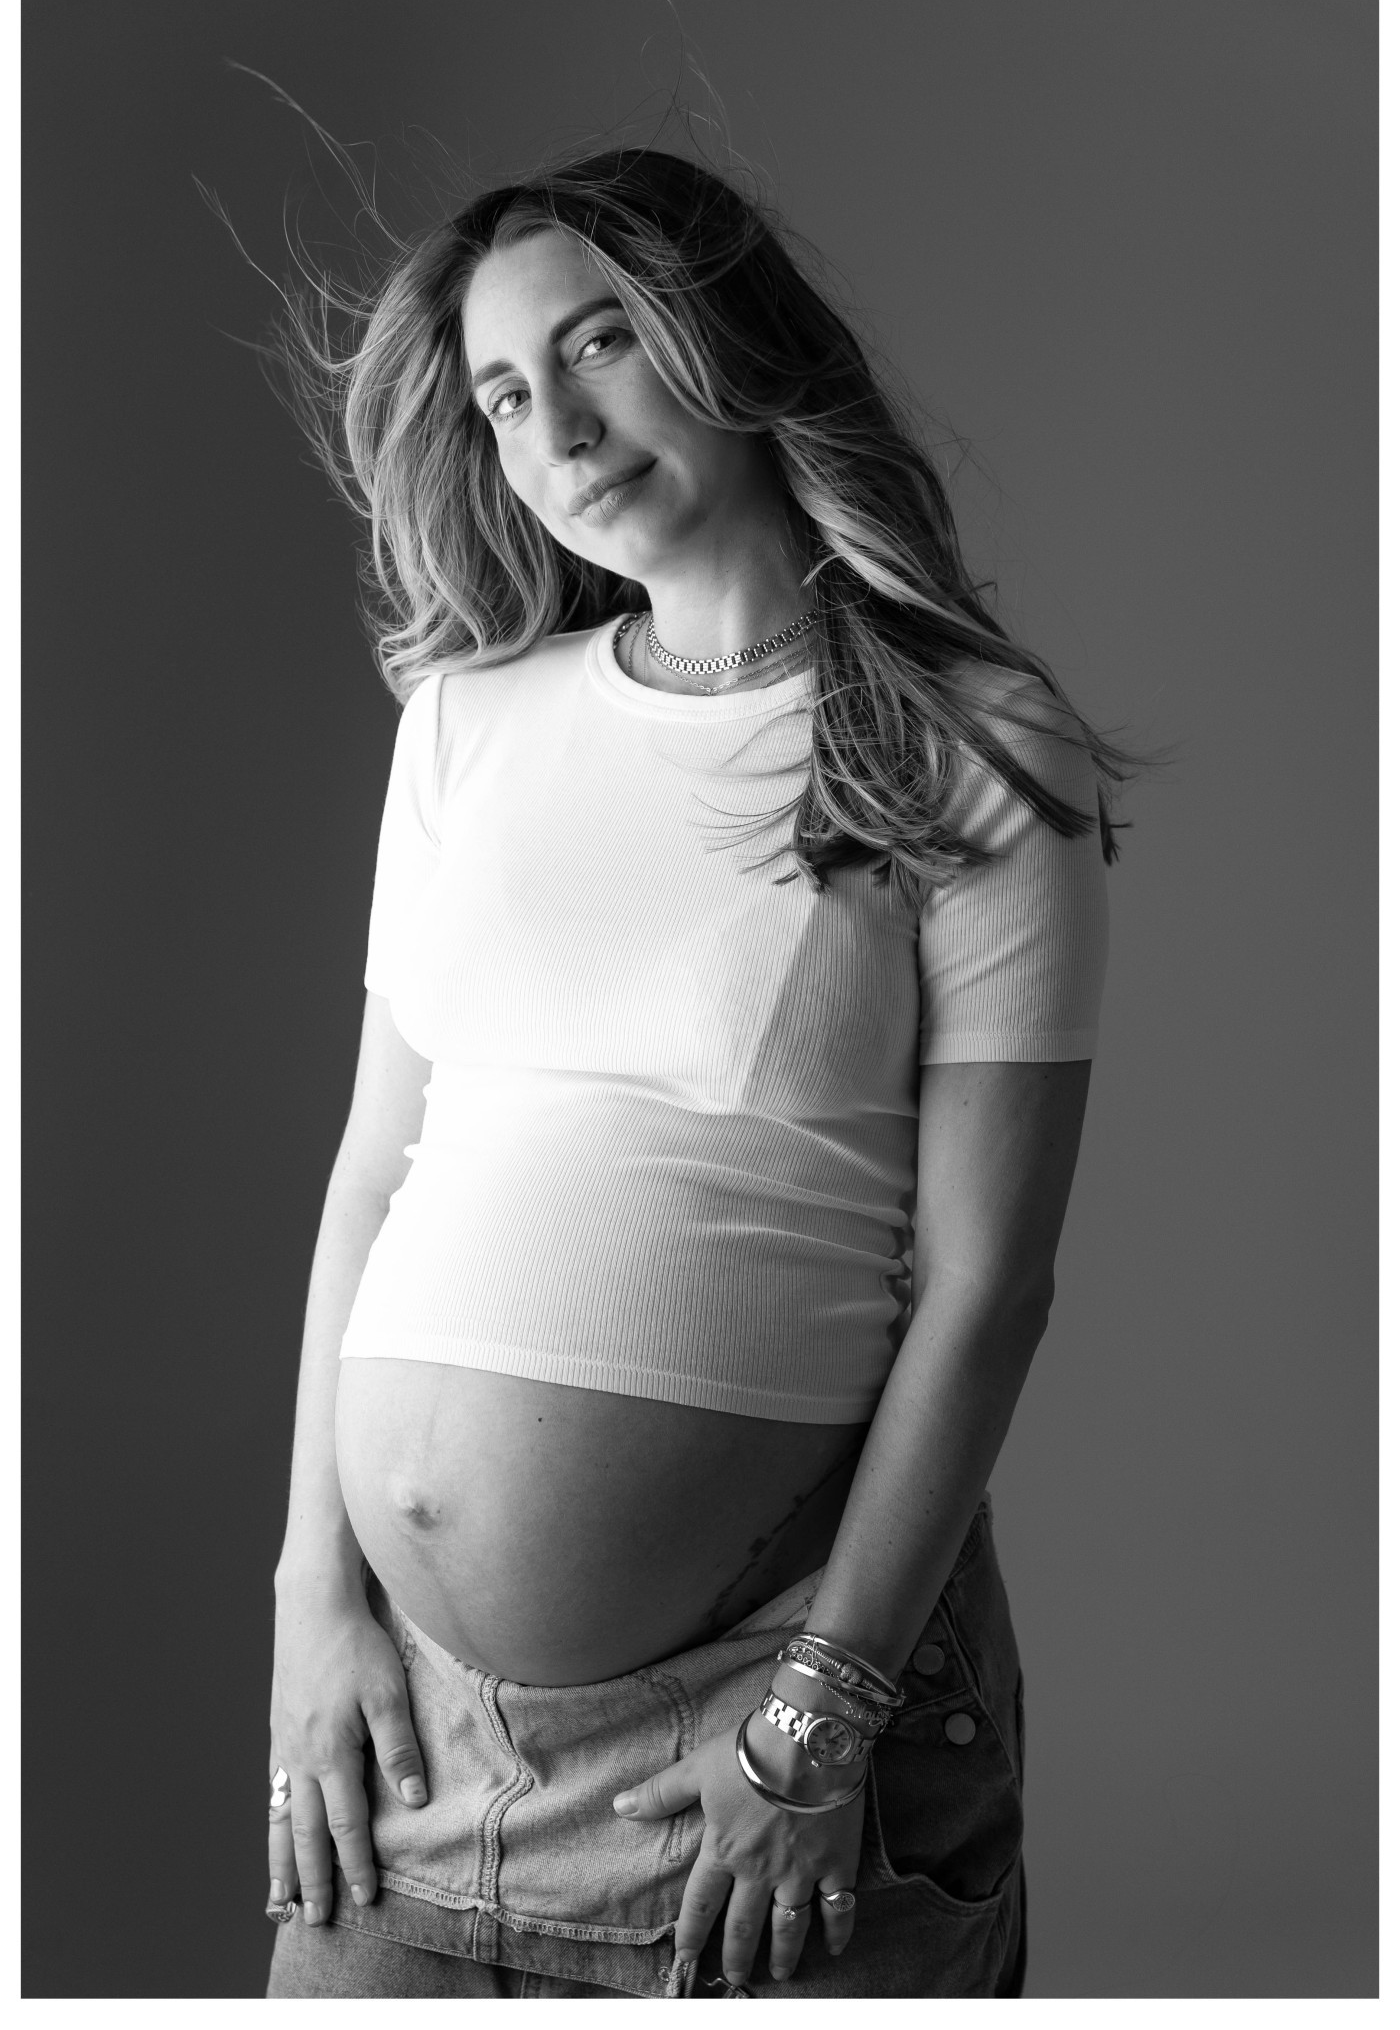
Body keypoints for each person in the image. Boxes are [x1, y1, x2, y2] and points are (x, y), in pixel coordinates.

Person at [260, 143, 1121, 2000]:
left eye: (599, 344)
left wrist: (819, 1716)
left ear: (724, 334)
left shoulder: (963, 738)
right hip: (406, 1741)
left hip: (765, 1722)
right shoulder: (466, 726)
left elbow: (990, 1286)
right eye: (506, 393)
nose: (558, 427)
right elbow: (373, 1176)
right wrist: (309, 1595)